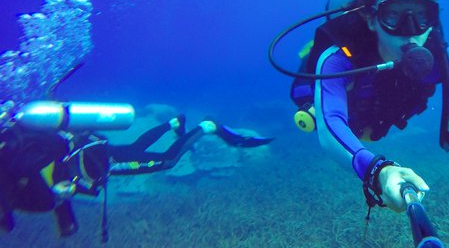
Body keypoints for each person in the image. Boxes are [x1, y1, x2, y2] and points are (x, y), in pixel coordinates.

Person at [285, 0, 449, 213]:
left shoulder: (443, 59)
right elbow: (330, 122)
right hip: (355, 116)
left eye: (421, 15)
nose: (410, 31)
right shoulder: (338, 59)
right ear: (370, 19)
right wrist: (378, 171)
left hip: (379, 118)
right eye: (393, 15)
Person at [0, 103, 272, 238]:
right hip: (88, 150)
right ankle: (173, 123)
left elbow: (37, 192)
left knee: (167, 161)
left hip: (94, 162)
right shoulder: (12, 153)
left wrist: (57, 201)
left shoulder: (10, 166)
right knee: (133, 149)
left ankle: (206, 127)